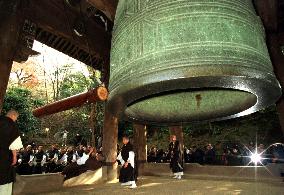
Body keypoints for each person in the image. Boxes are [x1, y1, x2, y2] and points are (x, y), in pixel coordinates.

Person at [0, 110, 23, 195]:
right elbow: (14, 144)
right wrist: (14, 157)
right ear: (13, 115)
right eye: (16, 118)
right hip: (4, 159)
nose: (15, 120)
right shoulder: (11, 124)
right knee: (5, 183)